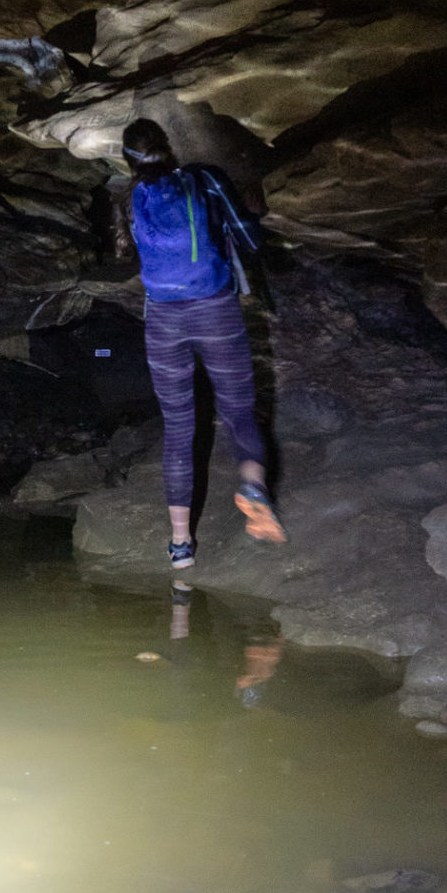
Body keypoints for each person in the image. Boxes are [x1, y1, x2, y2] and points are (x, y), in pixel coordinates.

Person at [121, 117, 287, 568]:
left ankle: (180, 546)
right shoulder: (203, 179)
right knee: (236, 410)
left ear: (127, 160)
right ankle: (253, 485)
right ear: (168, 147)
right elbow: (248, 236)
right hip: (214, 308)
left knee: (178, 428)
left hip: (162, 319)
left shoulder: (131, 197)